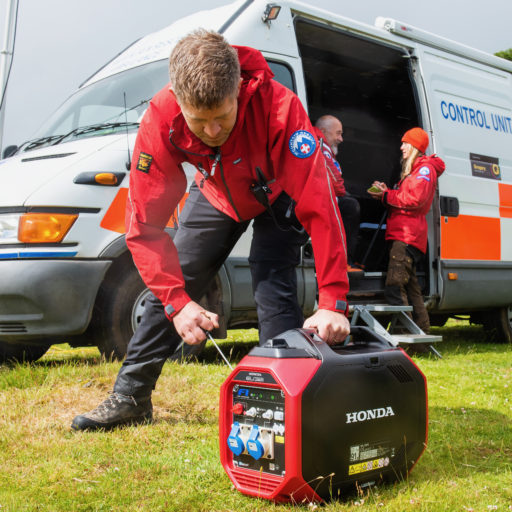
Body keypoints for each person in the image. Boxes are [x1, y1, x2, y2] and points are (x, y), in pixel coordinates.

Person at [72, 30, 350, 431]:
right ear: (178, 100)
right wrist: (176, 302)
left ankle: (286, 405)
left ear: (238, 89)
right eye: (198, 121)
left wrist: (333, 300)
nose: (213, 131)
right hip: (217, 191)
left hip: (278, 190)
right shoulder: (161, 117)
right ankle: (130, 396)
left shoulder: (280, 108)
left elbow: (320, 205)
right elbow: (144, 225)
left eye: (222, 117)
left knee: (272, 280)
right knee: (176, 279)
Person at [368, 127, 445, 333]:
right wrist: (386, 193)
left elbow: (415, 200)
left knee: (395, 286)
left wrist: (386, 195)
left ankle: (405, 334)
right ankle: (421, 336)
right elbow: (406, 199)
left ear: (414, 147)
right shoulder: (416, 170)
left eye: (405, 143)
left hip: (407, 236)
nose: (401, 147)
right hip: (405, 235)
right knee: (412, 290)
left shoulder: (424, 170)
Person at [314, 115, 361, 270]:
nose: (341, 139)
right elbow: (333, 181)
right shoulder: (320, 146)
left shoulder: (322, 146)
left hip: (323, 199)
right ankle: (344, 261)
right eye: (338, 133)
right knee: (351, 206)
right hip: (321, 202)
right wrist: (342, 192)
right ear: (323, 131)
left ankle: (345, 260)